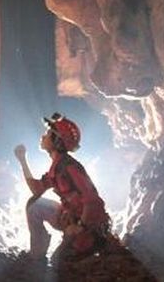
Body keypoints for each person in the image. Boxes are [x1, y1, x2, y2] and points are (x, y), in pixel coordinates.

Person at [14, 112, 110, 261]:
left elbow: (92, 200)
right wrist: (22, 160)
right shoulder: (57, 167)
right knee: (34, 205)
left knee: (58, 261)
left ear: (58, 141)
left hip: (88, 225)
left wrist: (81, 227)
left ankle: (85, 244)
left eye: (48, 133)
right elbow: (37, 189)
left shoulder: (69, 167)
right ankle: (38, 253)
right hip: (72, 217)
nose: (43, 136)